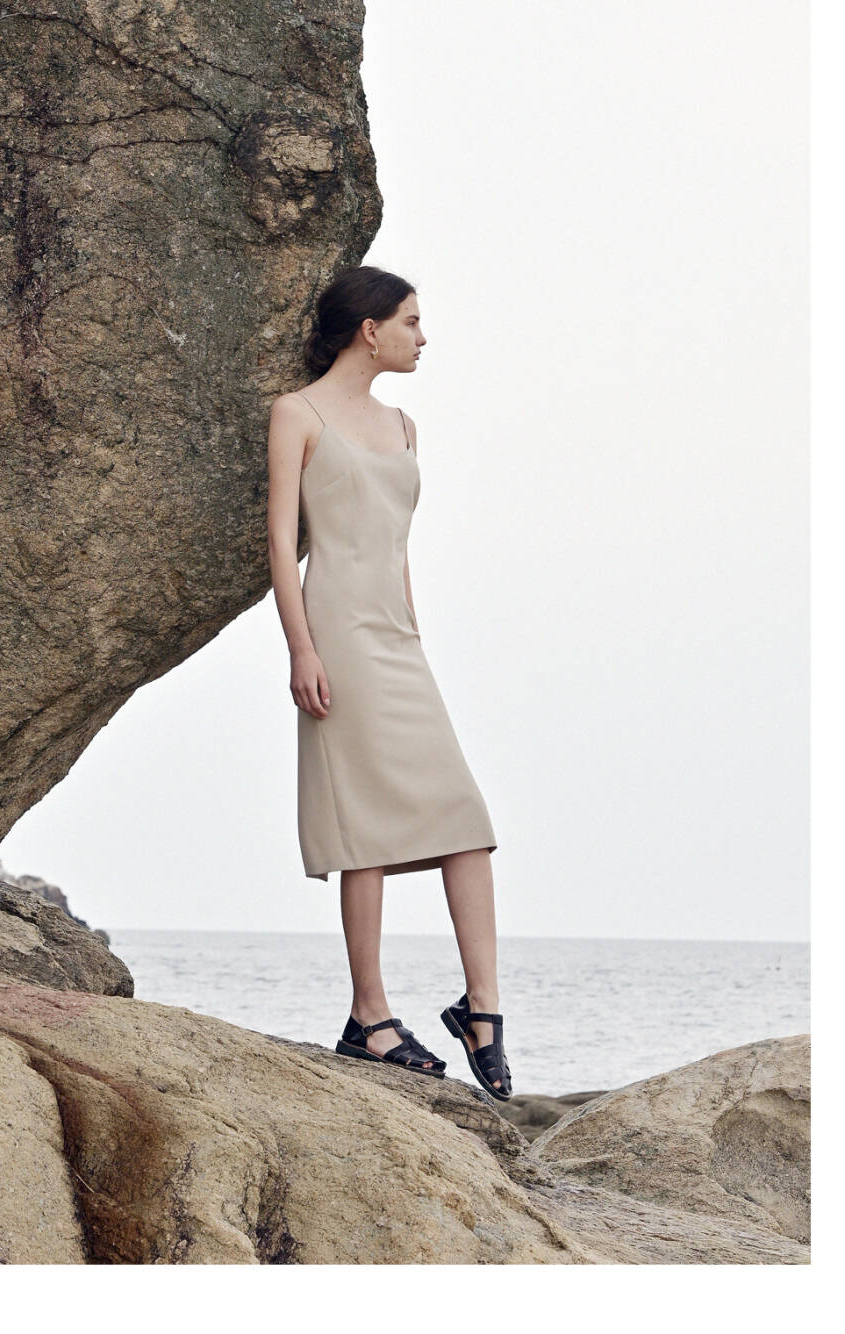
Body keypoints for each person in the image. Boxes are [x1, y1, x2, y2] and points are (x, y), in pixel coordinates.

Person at [266, 265, 511, 1099]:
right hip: (336, 633)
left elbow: (397, 543)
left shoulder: (405, 426)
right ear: (369, 330)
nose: (422, 336)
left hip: (399, 638)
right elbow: (282, 544)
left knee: (465, 821)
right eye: (410, 321)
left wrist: (413, 630)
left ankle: (483, 1009)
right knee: (364, 830)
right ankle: (369, 1017)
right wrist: (301, 649)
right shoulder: (297, 414)